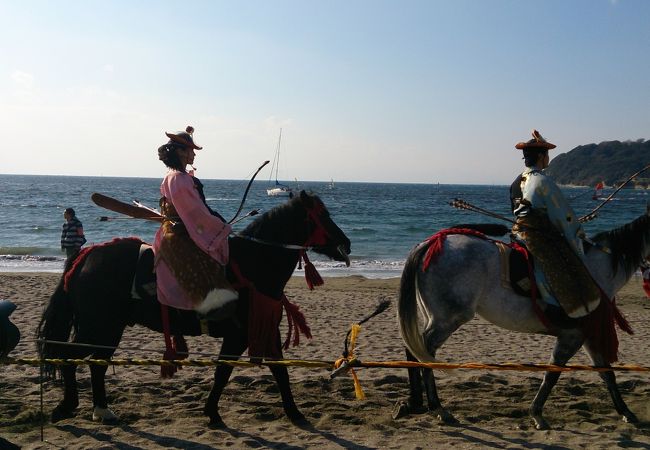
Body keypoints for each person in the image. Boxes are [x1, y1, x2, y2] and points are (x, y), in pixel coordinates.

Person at [510, 129, 600, 318]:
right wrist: (578, 237)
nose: (548, 158)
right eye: (547, 155)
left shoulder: (516, 182)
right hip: (538, 237)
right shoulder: (542, 182)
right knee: (565, 266)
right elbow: (564, 218)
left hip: (518, 232)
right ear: (542, 157)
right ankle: (561, 310)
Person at [152, 125, 237, 318]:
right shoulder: (178, 178)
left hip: (179, 232)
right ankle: (206, 311)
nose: (194, 155)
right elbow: (195, 214)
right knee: (202, 269)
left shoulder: (178, 176)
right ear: (180, 152)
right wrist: (220, 227)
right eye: (190, 150)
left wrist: (217, 222)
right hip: (179, 237)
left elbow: (197, 210)